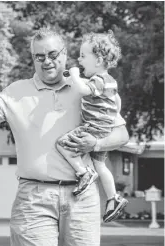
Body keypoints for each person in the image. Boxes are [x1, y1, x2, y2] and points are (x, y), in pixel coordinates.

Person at [0, 28, 129, 246]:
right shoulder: (16, 91)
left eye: (53, 54)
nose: (47, 61)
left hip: (82, 200)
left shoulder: (88, 88)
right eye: (40, 56)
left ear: (65, 54)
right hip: (34, 198)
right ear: (33, 58)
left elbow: (122, 135)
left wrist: (95, 143)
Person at [56, 30, 128, 223]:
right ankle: (114, 198)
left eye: (82, 56)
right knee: (101, 165)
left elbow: (81, 90)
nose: (79, 60)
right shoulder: (110, 82)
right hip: (104, 128)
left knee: (62, 144)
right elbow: (116, 105)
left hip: (93, 127)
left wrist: (74, 75)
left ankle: (83, 173)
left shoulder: (99, 80)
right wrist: (73, 78)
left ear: (98, 60)